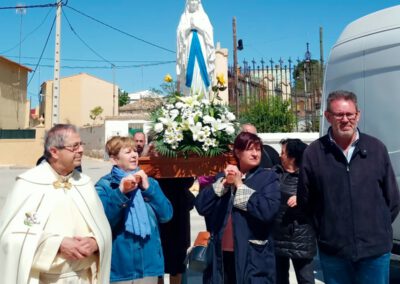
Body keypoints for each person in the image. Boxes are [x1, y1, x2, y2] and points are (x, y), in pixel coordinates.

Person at [297, 90, 400, 284]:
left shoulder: (376, 149)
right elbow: (305, 203)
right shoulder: (314, 154)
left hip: (374, 253)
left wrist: (378, 229)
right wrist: (326, 233)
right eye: (339, 114)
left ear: (358, 115)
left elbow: (392, 199)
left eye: (349, 114)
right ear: (328, 116)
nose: (345, 120)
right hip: (334, 253)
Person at [0, 124, 112, 283]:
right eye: (74, 146)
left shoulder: (85, 184)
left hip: (84, 278)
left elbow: (103, 229)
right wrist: (56, 244)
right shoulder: (28, 184)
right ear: (54, 151)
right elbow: (9, 237)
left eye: (81, 144)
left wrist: (96, 242)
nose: (81, 150)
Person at [195, 131, 281, 283]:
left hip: (252, 257)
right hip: (221, 256)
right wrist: (224, 184)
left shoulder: (268, 178)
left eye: (258, 149)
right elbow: (202, 207)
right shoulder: (223, 177)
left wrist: (239, 185)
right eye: (250, 149)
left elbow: (268, 211)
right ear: (237, 152)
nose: (255, 153)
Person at [95, 136, 173, 284]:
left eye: (135, 151)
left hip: (149, 266)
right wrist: (121, 193)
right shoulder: (105, 186)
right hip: (120, 269)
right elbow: (103, 223)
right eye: (127, 152)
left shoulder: (150, 183)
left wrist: (149, 190)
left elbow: (166, 215)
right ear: (114, 159)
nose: (134, 155)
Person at [272, 139, 316, 284]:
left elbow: (323, 199)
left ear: (293, 157)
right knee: (279, 279)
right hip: (277, 237)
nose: (280, 155)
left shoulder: (310, 176)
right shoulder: (276, 173)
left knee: (305, 279)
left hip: (301, 239)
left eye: (283, 153)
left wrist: (302, 198)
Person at [177, 0, 215, 97]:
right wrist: (188, 28)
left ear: (198, 3)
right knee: (189, 72)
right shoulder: (184, 17)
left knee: (201, 68)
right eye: (191, 2)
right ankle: (190, 96)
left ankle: (203, 97)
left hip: (201, 45)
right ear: (188, 3)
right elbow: (179, 33)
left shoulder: (203, 16)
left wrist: (197, 27)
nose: (193, 4)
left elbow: (209, 31)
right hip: (188, 45)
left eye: (195, 2)